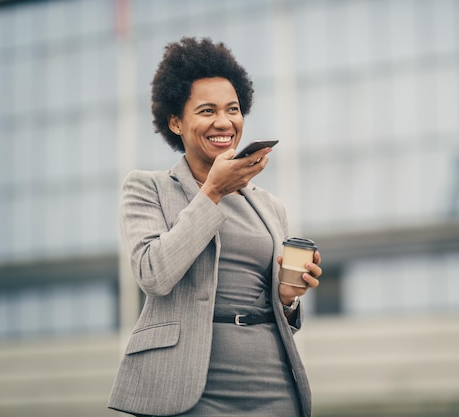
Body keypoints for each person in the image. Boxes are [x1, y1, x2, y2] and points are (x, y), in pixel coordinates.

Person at [108, 37, 322, 417]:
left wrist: (287, 298)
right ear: (175, 121)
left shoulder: (270, 206)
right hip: (189, 389)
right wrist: (213, 192)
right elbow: (154, 274)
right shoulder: (147, 188)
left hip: (272, 384)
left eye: (233, 109)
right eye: (207, 111)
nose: (224, 122)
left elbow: (278, 310)